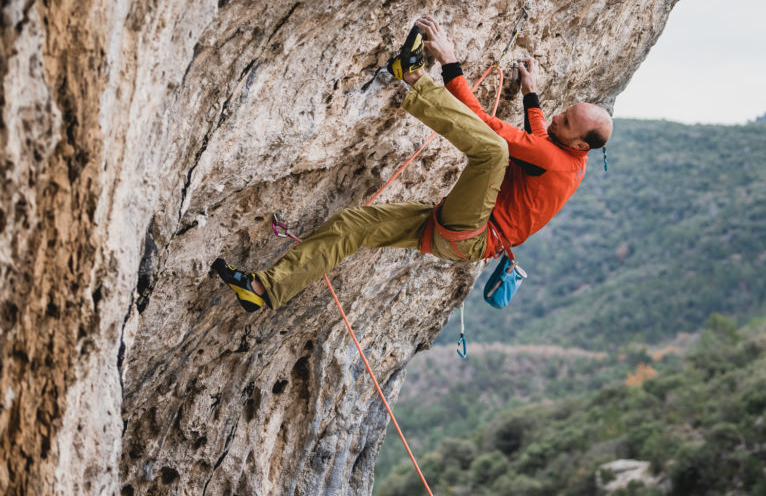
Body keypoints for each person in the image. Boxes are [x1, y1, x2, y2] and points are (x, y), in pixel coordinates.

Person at [211, 16, 613, 311]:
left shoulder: (555, 159)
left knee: (493, 150)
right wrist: (532, 96)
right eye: (563, 112)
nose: (556, 117)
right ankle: (263, 289)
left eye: (566, 120)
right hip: (460, 234)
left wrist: (450, 64)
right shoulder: (570, 155)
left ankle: (411, 76)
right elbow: (543, 135)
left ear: (579, 141)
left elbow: (484, 123)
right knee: (354, 225)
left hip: (471, 233)